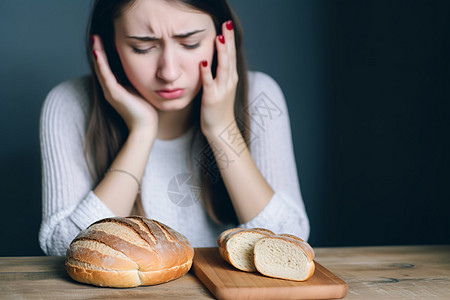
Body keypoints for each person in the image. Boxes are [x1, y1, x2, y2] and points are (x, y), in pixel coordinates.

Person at [39, 0, 310, 256]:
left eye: (190, 44)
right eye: (142, 48)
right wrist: (142, 133)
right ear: (110, 45)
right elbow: (63, 247)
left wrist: (222, 128)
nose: (168, 72)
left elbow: (289, 242)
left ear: (221, 37)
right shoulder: (70, 104)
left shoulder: (258, 97)